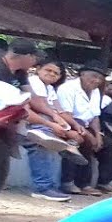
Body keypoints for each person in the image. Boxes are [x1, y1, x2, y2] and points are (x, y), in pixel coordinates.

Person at [23, 59, 86, 201]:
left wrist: (74, 126)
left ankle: (66, 144)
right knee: (41, 143)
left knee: (73, 135)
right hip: (27, 122)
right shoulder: (33, 82)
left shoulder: (50, 88)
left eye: (56, 73)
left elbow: (60, 111)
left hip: (45, 122)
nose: (52, 74)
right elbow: (35, 107)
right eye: (48, 70)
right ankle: (42, 188)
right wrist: (56, 122)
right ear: (38, 69)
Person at [57, 63, 112, 196]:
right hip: (67, 124)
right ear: (82, 74)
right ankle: (73, 183)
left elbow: (94, 116)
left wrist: (98, 134)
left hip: (85, 125)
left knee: (107, 144)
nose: (97, 81)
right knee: (82, 142)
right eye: (94, 76)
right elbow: (65, 114)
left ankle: (104, 182)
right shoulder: (67, 88)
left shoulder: (96, 92)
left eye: (100, 78)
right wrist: (89, 136)